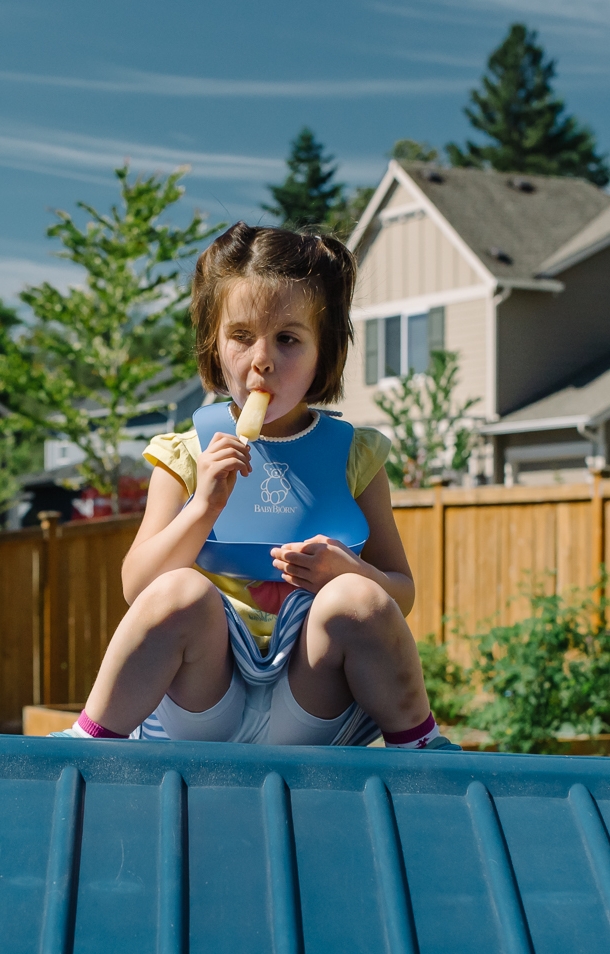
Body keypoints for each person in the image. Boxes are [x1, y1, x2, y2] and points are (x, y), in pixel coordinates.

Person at [59, 223, 456, 750]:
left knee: (359, 598)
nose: (262, 359)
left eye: (288, 339)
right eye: (242, 336)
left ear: (324, 354)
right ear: (214, 345)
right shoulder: (184, 454)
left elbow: (399, 593)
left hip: (311, 701)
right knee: (181, 590)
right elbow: (138, 587)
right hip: (205, 702)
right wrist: (203, 506)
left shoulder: (356, 456)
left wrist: (351, 572)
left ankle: (422, 751)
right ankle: (88, 744)